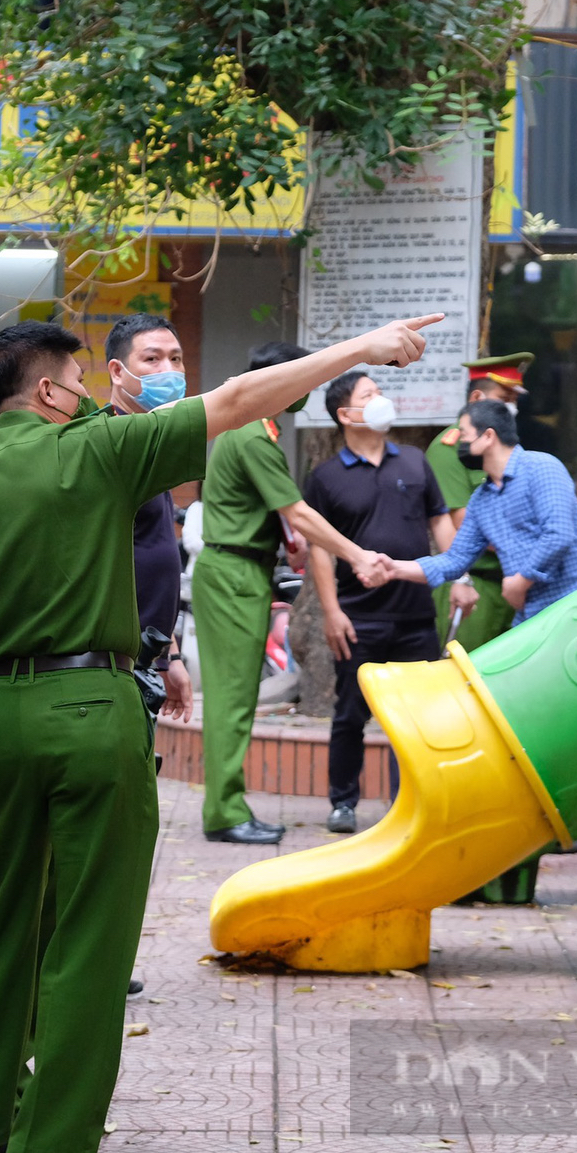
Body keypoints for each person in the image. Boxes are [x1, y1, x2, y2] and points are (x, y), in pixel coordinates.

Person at [0, 313, 434, 1153]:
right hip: (91, 709)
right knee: (88, 933)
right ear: (44, 390)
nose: (86, 393)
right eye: (76, 380)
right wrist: (359, 349)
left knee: (0, 922)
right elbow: (238, 400)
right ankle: (53, 1148)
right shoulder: (99, 451)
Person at [192, 341, 386, 845]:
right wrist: (357, 554)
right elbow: (297, 512)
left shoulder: (255, 432)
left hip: (241, 570)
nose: (306, 391)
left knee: (235, 696)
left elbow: (276, 516)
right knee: (233, 698)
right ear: (278, 383)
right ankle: (225, 812)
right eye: (300, 380)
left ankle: (226, 806)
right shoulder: (254, 435)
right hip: (234, 575)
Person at [302, 371, 452, 834]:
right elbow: (320, 549)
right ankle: (343, 802)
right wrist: (331, 611)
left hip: (416, 615)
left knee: (418, 718)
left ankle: (409, 801)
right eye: (371, 395)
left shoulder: (414, 461)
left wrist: (457, 571)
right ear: (346, 414)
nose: (382, 400)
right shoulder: (324, 477)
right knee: (350, 713)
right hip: (358, 617)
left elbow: (440, 522)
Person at [368, 399, 577, 624]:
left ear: (488, 436)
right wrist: (395, 568)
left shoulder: (541, 467)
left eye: (464, 434)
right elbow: (456, 560)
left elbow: (559, 534)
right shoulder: (481, 499)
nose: (459, 443)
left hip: (576, 605)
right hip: (532, 615)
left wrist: (520, 581)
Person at [105, 312, 195, 721]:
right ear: (118, 372)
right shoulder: (110, 444)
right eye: (153, 360)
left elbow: (152, 554)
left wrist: (169, 656)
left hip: (147, 653)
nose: (169, 371)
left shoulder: (153, 441)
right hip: (111, 663)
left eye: (176, 359)